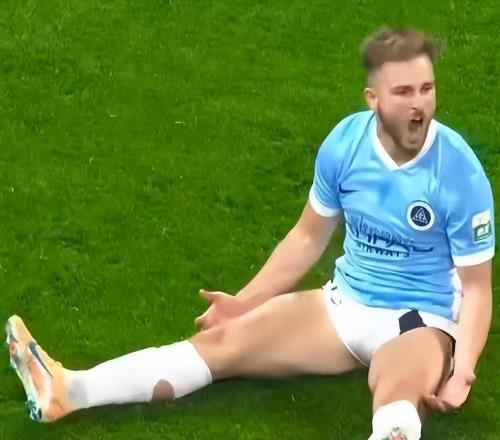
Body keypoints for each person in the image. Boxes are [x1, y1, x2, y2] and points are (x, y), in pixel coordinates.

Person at [6, 27, 494, 440]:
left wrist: (464, 369)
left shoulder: (458, 172)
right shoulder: (346, 144)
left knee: (396, 396)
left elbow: (476, 288)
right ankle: (69, 391)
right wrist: (243, 303)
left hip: (418, 319)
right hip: (344, 304)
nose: (419, 105)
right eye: (404, 92)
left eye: (426, 89)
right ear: (374, 99)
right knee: (222, 345)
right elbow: (307, 238)